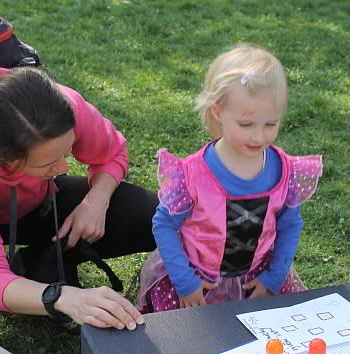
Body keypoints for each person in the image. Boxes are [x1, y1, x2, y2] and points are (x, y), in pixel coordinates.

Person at [0, 66, 158, 339]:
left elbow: (112, 153)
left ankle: (34, 266)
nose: (62, 168)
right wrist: (59, 297)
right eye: (49, 162)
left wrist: (97, 199)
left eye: (67, 151)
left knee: (151, 216)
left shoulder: (59, 107)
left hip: (31, 202)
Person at [137, 44, 323, 313]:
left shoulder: (284, 170)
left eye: (271, 124)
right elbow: (165, 224)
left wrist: (274, 276)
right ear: (218, 112)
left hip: (256, 281)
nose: (259, 136)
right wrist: (185, 281)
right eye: (246, 125)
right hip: (198, 282)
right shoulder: (192, 175)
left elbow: (290, 224)